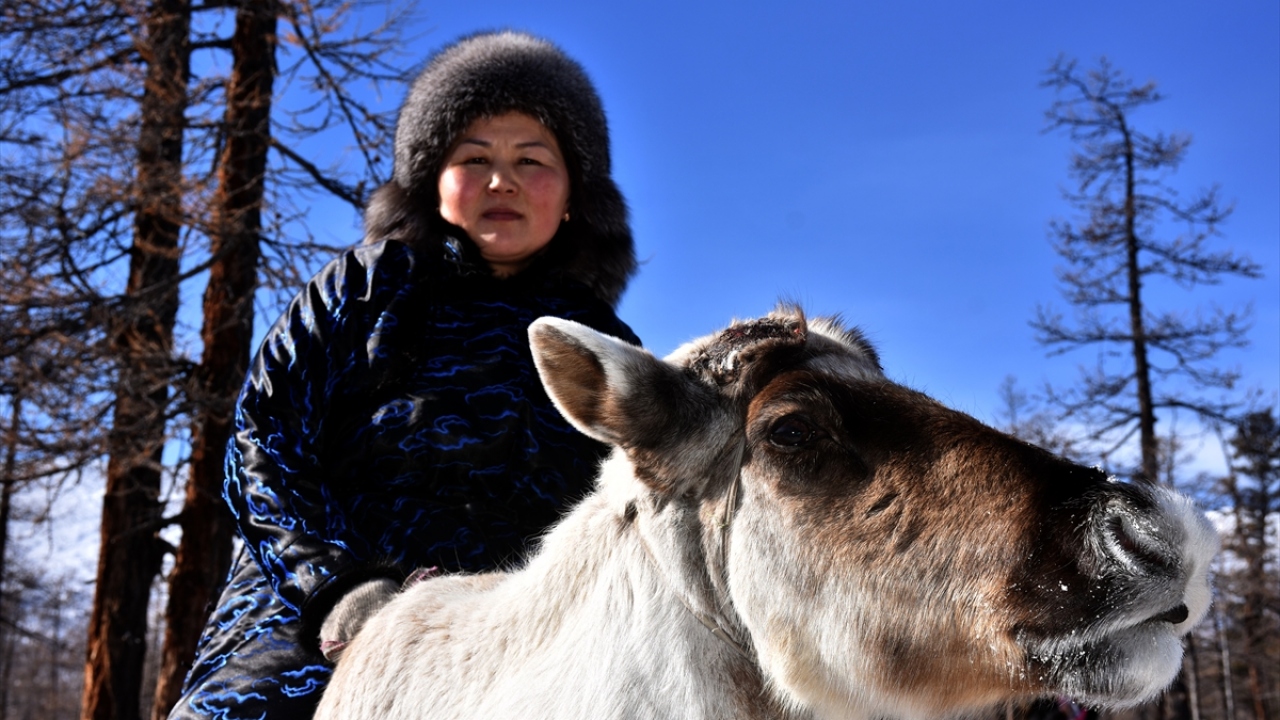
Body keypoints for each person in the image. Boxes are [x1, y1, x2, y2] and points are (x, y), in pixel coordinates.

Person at [169, 31, 639, 719]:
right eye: (473, 158)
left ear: (574, 196)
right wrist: (335, 586)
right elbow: (263, 439)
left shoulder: (600, 345)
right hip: (317, 617)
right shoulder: (362, 287)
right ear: (429, 181)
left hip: (520, 631)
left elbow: (641, 497)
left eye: (531, 159)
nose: (501, 180)